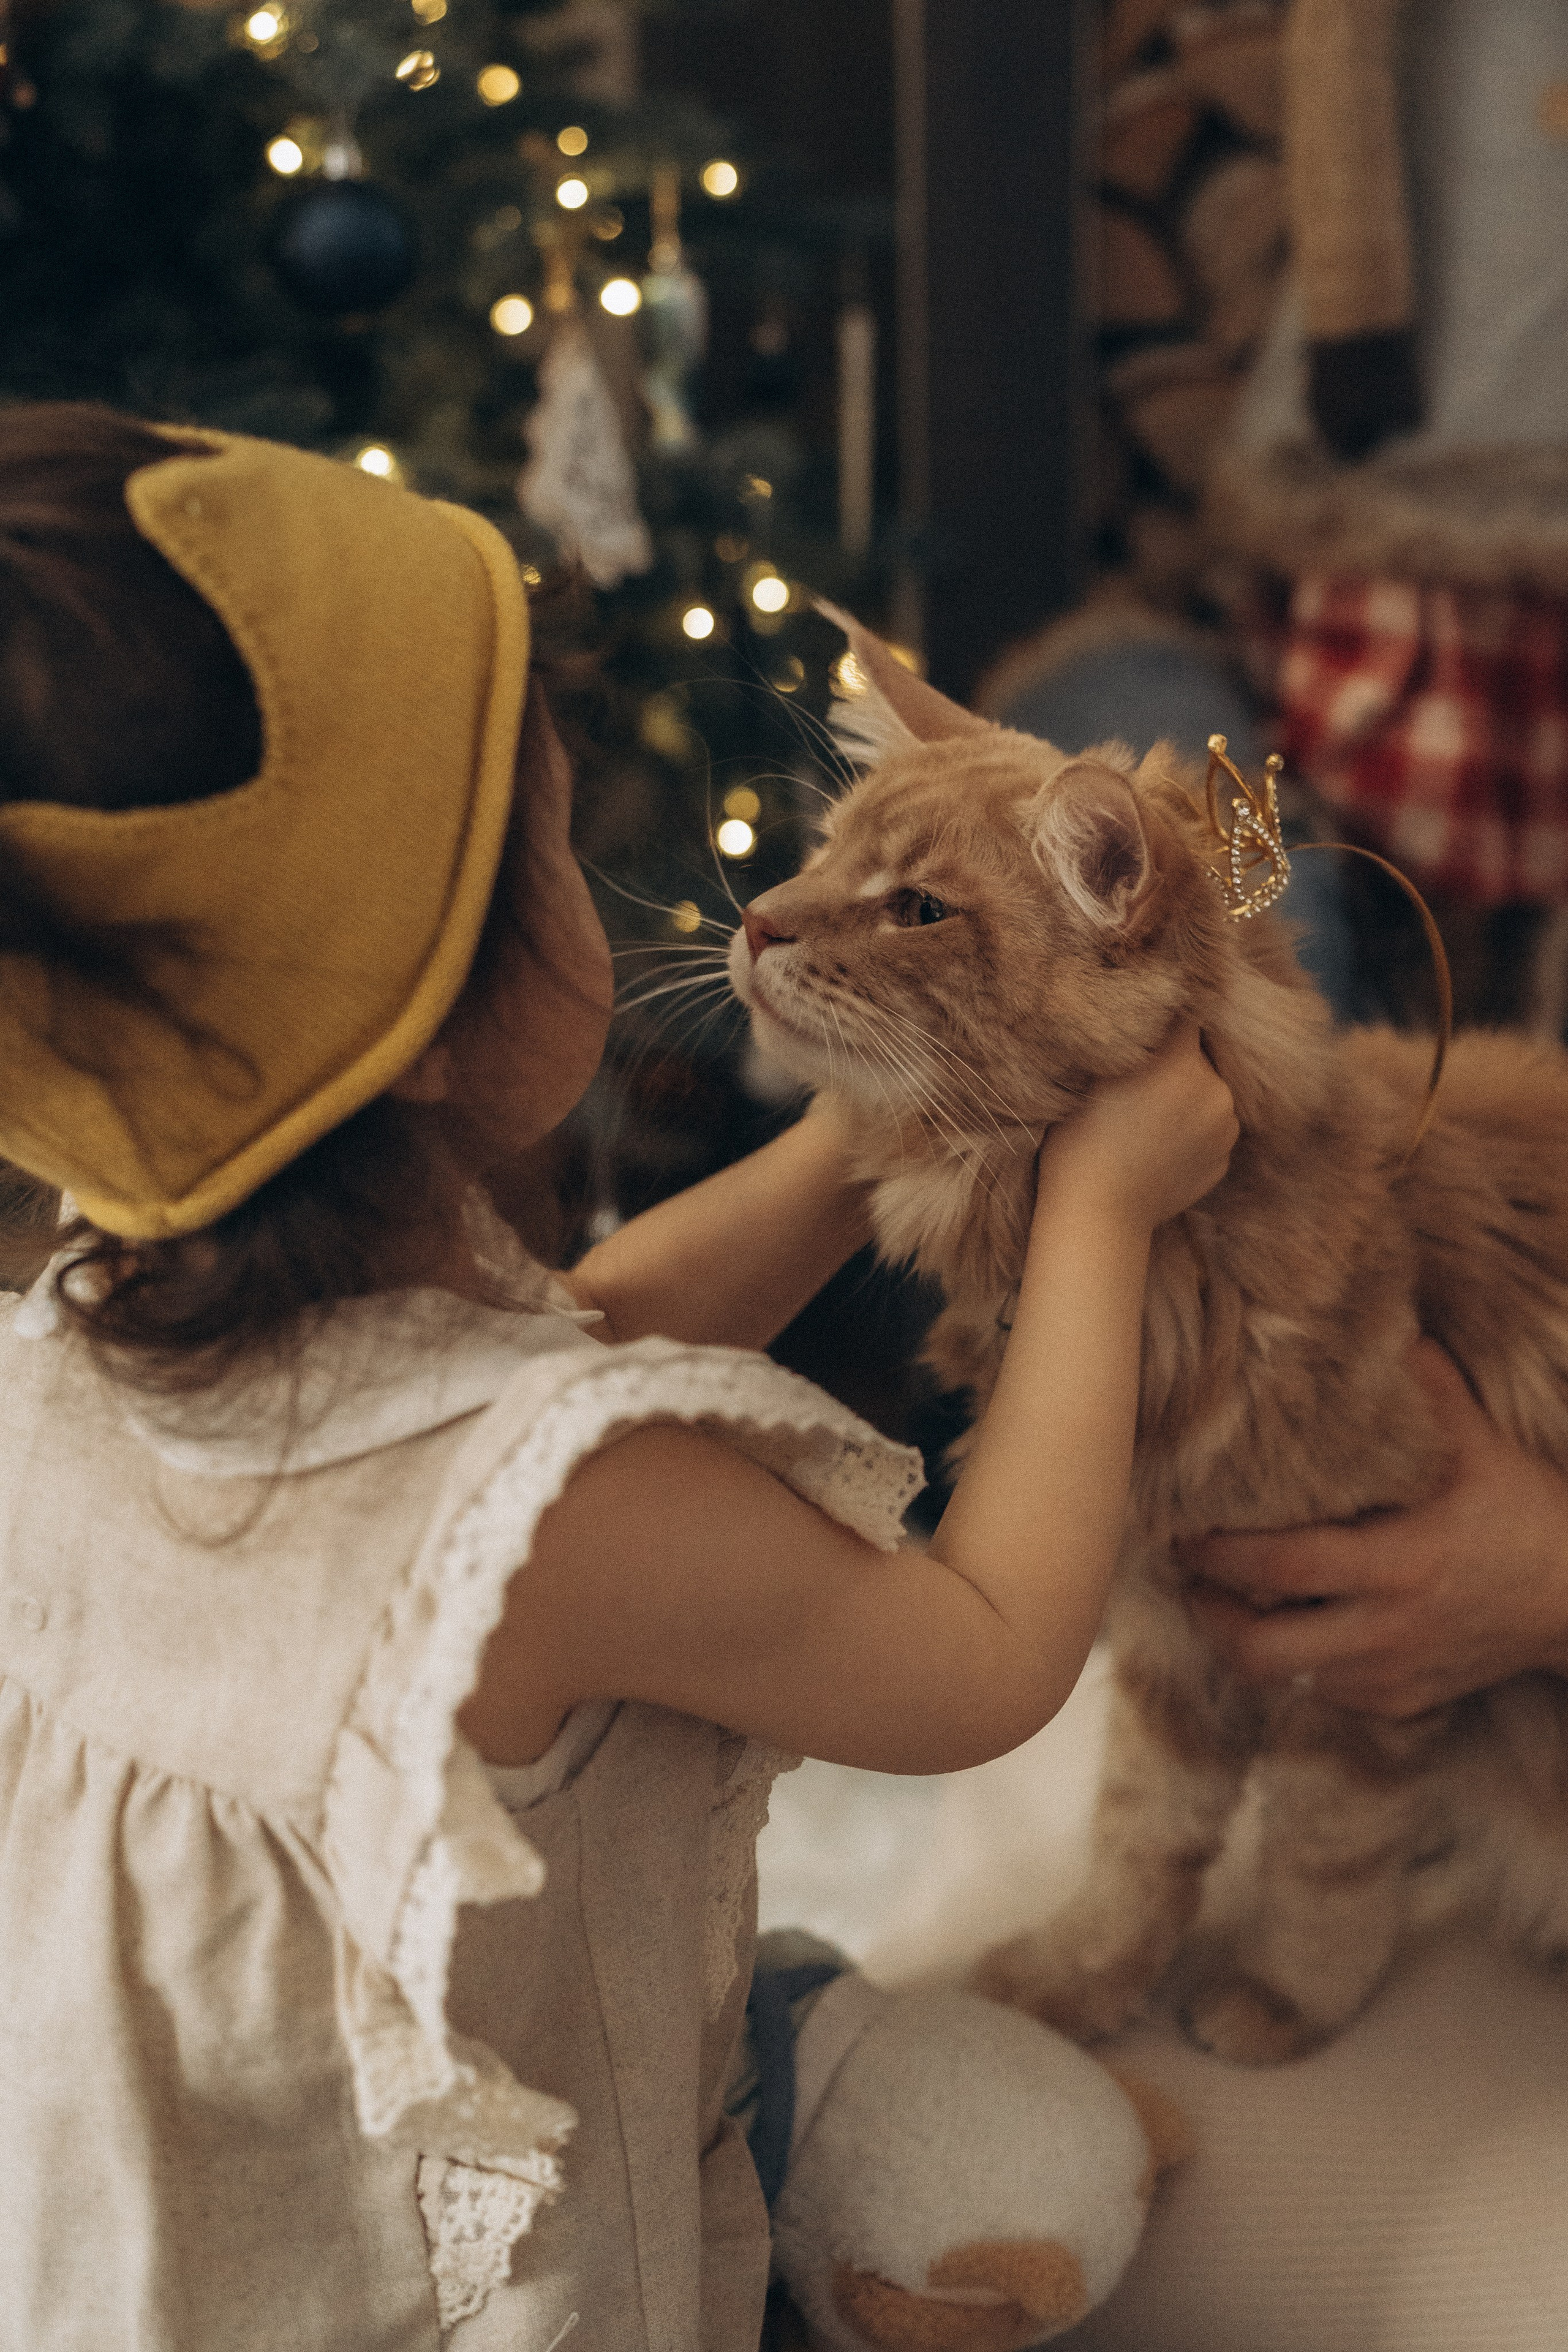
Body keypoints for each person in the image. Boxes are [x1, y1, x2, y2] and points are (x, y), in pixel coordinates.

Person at [0, 403, 1236, 2352]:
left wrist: (869, 1132)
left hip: (150, 2184)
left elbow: (575, 1335)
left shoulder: (96, 1292)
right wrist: (1094, 1209)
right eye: (562, 856)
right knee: (1026, 2164)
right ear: (428, 1017)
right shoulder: (574, 1516)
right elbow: (986, 1652)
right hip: (438, 2269)